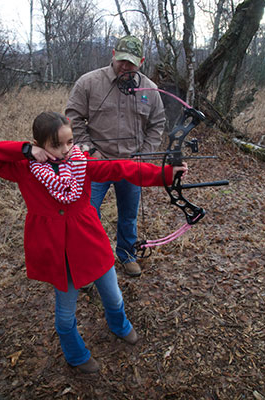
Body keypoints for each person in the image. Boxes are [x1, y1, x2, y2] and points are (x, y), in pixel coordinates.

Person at [0, 111, 186, 374]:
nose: (65, 150)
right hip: (56, 251)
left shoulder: (82, 164)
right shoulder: (25, 169)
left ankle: (119, 325)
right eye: (56, 145)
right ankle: (75, 354)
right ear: (39, 145)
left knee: (114, 296)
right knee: (65, 313)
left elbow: (121, 168)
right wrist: (24, 150)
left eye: (69, 142)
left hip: (90, 242)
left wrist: (164, 174)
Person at [65, 35, 166, 277]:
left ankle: (127, 254)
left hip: (131, 165)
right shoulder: (89, 82)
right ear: (113, 54)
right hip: (96, 164)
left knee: (129, 215)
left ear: (141, 61)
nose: (125, 66)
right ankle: (87, 262)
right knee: (87, 215)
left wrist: (144, 156)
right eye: (121, 60)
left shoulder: (150, 90)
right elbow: (73, 118)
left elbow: (157, 124)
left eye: (131, 63)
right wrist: (90, 150)